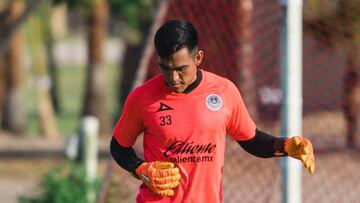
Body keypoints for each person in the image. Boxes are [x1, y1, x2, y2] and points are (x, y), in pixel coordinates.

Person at [110, 19, 315, 203]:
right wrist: (141, 169)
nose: (173, 78)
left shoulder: (224, 91)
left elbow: (251, 141)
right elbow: (119, 147)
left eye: (181, 69)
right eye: (166, 68)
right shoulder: (142, 97)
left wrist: (286, 146)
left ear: (198, 58)